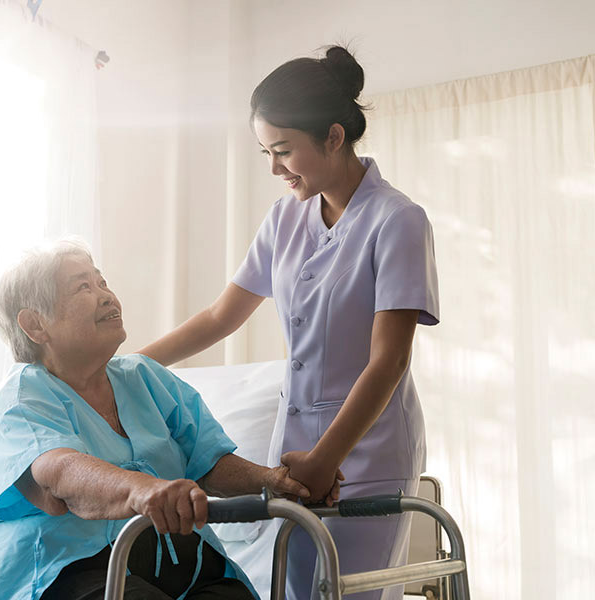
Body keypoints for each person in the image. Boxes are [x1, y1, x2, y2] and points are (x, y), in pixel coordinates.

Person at [139, 45, 440, 600]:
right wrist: (131, 366)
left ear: (332, 136)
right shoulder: (286, 216)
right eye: (265, 152)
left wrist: (328, 459)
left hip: (365, 447)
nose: (274, 168)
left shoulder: (398, 221)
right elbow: (220, 316)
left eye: (283, 150)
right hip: (294, 447)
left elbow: (389, 360)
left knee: (350, 592)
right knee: (292, 588)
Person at [0, 238, 317, 600]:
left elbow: (207, 462)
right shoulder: (23, 397)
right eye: (83, 287)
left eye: (102, 281)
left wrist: (273, 480)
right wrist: (141, 488)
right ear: (36, 325)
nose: (107, 295)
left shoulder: (146, 378)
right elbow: (58, 472)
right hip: (60, 566)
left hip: (177, 562)